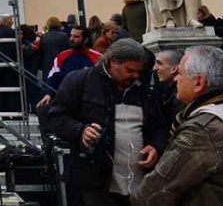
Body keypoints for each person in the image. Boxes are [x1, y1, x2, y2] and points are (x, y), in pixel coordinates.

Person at [134, 46, 223, 204]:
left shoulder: (201, 130)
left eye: (180, 73)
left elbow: (153, 191)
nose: (176, 79)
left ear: (199, 82)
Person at [47, 39, 167, 205]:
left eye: (139, 71)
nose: (135, 75)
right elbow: (56, 117)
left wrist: (156, 147)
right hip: (95, 183)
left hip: (140, 184)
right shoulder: (80, 81)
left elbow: (160, 125)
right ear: (113, 62)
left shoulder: (145, 88)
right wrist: (80, 131)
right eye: (130, 70)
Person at [152, 49, 184, 121]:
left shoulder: (180, 94)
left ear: (174, 68)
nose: (154, 68)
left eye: (159, 63)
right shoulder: (165, 89)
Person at [39, 16, 70, 83]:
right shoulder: (64, 35)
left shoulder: (44, 36)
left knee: (48, 82)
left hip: (47, 63)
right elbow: (68, 50)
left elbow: (41, 51)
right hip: (60, 62)